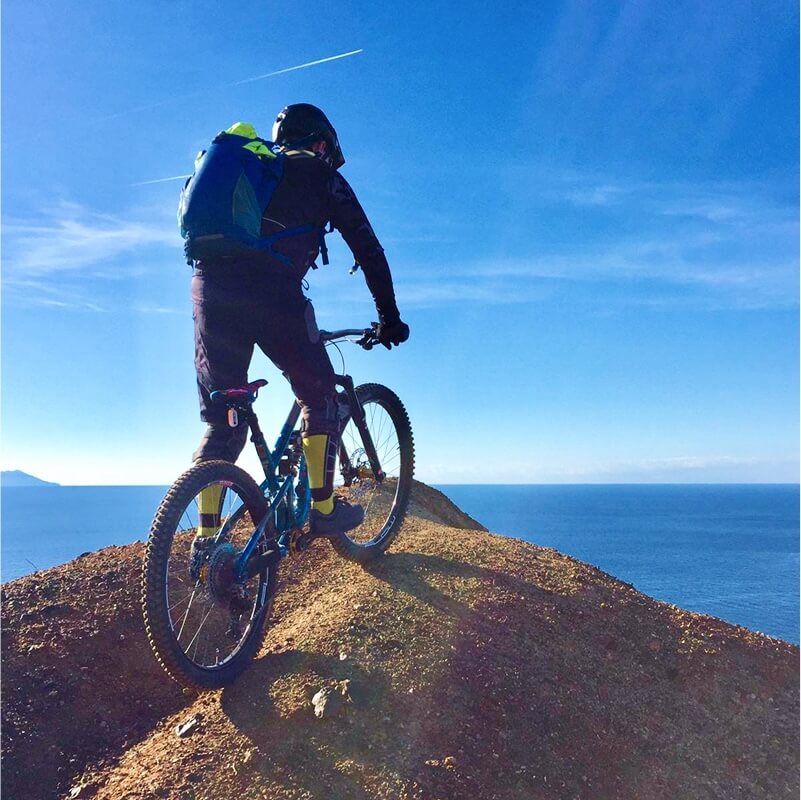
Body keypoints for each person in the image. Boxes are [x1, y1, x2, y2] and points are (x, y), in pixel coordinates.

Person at [191, 103, 409, 539]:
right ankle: (325, 508)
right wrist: (389, 318)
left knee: (225, 418)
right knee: (320, 396)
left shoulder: (251, 169)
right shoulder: (319, 173)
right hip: (271, 291)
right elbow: (369, 249)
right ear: (322, 142)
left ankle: (206, 539)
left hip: (208, 288)